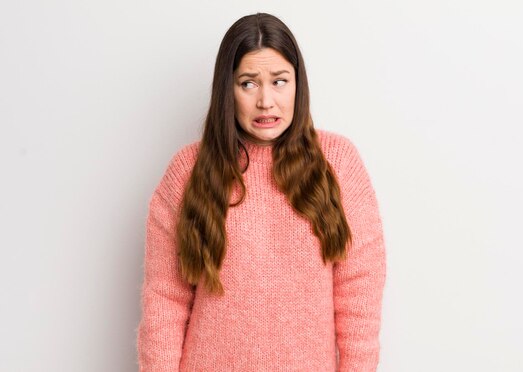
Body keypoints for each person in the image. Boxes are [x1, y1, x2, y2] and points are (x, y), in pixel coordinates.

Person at [136, 12, 386, 372]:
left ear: (298, 84)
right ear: (228, 90)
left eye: (280, 81)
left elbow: (359, 296)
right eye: (248, 84)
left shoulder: (338, 163)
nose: (266, 101)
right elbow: (165, 302)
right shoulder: (187, 172)